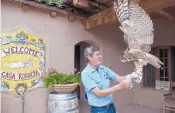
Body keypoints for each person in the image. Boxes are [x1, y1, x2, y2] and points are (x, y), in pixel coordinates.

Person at [81, 46, 132, 113]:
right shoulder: (85, 73)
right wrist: (120, 86)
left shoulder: (103, 68)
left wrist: (132, 76)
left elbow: (118, 78)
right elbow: (99, 93)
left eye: (100, 54)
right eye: (97, 54)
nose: (100, 56)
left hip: (111, 107)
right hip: (99, 110)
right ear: (90, 57)